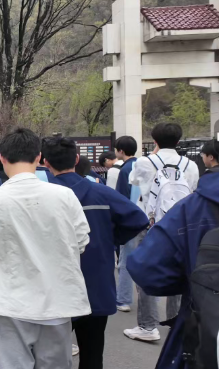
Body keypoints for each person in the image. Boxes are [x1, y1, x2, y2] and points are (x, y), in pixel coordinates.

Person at [0, 128, 91, 369]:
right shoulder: (65, 195)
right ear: (39, 157)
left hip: (7, 301)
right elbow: (81, 241)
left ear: (1, 158)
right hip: (56, 299)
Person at [43, 137, 149, 369]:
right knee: (92, 354)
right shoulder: (101, 193)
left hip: (53, 288)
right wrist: (111, 240)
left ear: (45, 162)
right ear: (77, 159)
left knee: (49, 357)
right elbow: (138, 219)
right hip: (96, 284)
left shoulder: (41, 197)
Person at [127, 147, 218, 369]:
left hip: (206, 323)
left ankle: (148, 325)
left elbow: (145, 268)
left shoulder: (193, 207)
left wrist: (193, 284)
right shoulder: (190, 168)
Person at [124, 122, 200, 342]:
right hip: (180, 226)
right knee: (179, 272)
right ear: (179, 140)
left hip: (151, 224)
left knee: (146, 272)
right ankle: (176, 322)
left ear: (154, 141)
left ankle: (148, 326)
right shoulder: (191, 165)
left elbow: (133, 180)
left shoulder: (144, 162)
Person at [113, 135, 141, 313]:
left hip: (130, 221)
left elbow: (121, 200)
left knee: (125, 261)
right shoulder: (144, 165)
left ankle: (123, 300)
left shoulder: (125, 170)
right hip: (148, 219)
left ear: (121, 151)